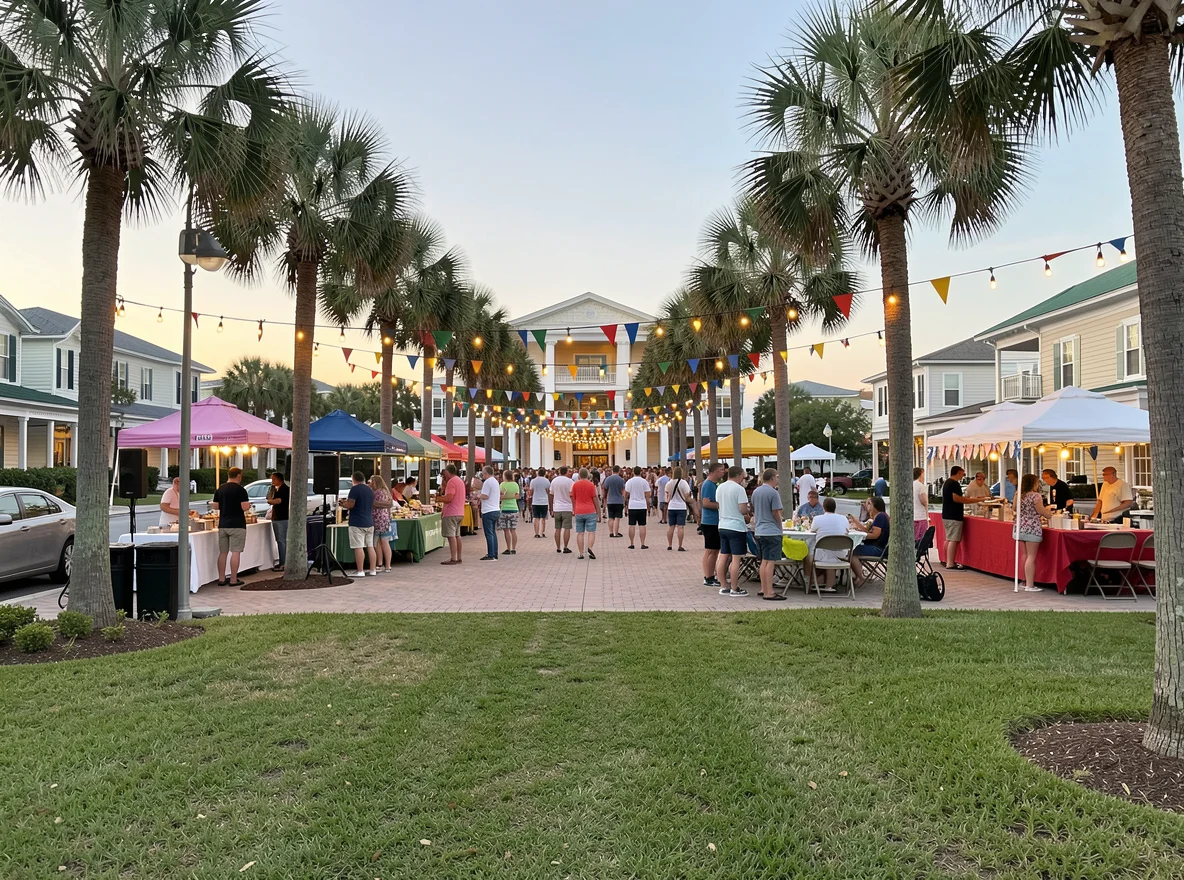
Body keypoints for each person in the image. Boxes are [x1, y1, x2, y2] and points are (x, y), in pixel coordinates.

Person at [1014, 473, 1054, 593]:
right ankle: (1030, 585)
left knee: (1025, 555)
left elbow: (1014, 508)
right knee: (1031, 556)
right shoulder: (1035, 496)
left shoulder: (1018, 494)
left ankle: (1024, 580)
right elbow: (1041, 510)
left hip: (1020, 525)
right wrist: (1049, 513)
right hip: (1032, 526)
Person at [751, 468, 786, 601]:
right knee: (770, 562)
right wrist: (780, 526)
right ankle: (769, 592)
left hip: (759, 530)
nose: (778, 479)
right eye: (777, 477)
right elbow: (776, 512)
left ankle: (763, 588)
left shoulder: (756, 492)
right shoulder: (773, 493)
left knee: (764, 561)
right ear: (772, 478)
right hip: (771, 530)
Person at [714, 465, 750, 597]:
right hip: (736, 526)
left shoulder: (720, 487)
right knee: (736, 558)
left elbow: (719, 504)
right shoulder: (739, 489)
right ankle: (735, 588)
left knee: (723, 556)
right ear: (739, 475)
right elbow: (742, 509)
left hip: (722, 524)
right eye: (743, 476)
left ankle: (723, 586)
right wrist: (747, 511)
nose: (744, 479)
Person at [212, 467, 251, 586]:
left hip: (223, 524)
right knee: (235, 552)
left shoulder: (220, 489)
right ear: (238, 476)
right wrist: (248, 506)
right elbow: (244, 507)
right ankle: (233, 579)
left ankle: (221, 579)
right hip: (237, 524)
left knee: (223, 552)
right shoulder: (241, 490)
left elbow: (215, 506)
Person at [803, 497, 850, 592]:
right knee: (829, 552)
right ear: (835, 508)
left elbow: (812, 530)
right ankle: (826, 583)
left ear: (823, 508)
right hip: (841, 553)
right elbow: (847, 530)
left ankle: (809, 581)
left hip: (822, 553)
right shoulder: (843, 518)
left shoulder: (818, 519)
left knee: (806, 554)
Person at [340, 471, 377, 577]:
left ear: (353, 479)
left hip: (357, 522)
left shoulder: (354, 489)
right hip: (369, 522)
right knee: (370, 546)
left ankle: (360, 571)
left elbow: (351, 504)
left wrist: (343, 504)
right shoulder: (369, 490)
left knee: (358, 546)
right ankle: (372, 569)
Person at [848, 495, 889, 587]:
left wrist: (862, 536)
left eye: (869, 503)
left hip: (878, 549)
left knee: (850, 552)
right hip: (879, 547)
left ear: (875, 506)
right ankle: (856, 576)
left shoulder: (880, 517)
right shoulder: (879, 516)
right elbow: (868, 531)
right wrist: (857, 523)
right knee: (851, 550)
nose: (866, 505)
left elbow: (875, 535)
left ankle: (860, 577)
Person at [941, 466, 974, 570]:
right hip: (954, 515)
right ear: (958, 473)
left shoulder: (947, 482)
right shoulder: (954, 484)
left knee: (949, 538)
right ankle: (950, 563)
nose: (963, 477)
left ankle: (946, 560)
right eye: (962, 474)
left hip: (946, 514)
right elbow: (956, 498)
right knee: (954, 539)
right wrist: (970, 500)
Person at [699, 461, 724, 588]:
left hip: (714, 521)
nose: (723, 472)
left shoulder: (714, 484)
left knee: (714, 550)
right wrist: (723, 505)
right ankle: (708, 576)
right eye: (721, 470)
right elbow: (706, 503)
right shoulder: (708, 485)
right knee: (711, 550)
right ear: (713, 471)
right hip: (710, 521)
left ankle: (710, 574)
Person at [571, 468, 601, 559]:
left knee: (580, 533)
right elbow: (595, 499)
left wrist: (574, 509)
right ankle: (590, 548)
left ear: (579, 475)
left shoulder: (575, 485)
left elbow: (573, 498)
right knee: (591, 531)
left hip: (579, 510)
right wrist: (598, 512)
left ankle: (581, 553)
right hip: (590, 510)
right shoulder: (591, 485)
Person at [438, 464, 465, 565]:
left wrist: (439, 499)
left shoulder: (451, 482)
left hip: (451, 512)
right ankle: (459, 557)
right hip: (460, 511)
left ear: (448, 472)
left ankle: (453, 558)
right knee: (457, 535)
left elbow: (449, 498)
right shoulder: (459, 481)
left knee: (451, 536)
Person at [369, 474, 394, 573]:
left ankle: (380, 563)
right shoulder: (386, 491)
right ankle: (387, 565)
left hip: (377, 519)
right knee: (384, 541)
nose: (370, 483)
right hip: (385, 519)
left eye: (372, 482)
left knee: (378, 542)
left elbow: (373, 503)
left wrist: (376, 504)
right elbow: (389, 504)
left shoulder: (376, 492)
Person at [266, 472, 290, 572]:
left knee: (281, 541)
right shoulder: (276, 489)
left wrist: (270, 501)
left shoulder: (284, 489)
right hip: (277, 517)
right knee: (280, 540)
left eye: (274, 479)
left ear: (279, 479)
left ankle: (283, 563)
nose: (272, 481)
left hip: (281, 518)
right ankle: (282, 561)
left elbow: (279, 501)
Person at [665, 466, 693, 551]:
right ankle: (680, 545)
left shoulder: (669, 483)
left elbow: (667, 495)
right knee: (680, 527)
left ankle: (669, 545)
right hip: (681, 507)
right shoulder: (684, 483)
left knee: (671, 526)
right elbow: (687, 495)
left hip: (671, 506)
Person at [623, 467, 651, 549]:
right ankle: (642, 543)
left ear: (633, 472)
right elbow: (648, 494)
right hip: (642, 505)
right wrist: (646, 501)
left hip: (632, 506)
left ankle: (632, 543)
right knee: (642, 525)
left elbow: (626, 494)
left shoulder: (630, 481)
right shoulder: (644, 481)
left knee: (632, 525)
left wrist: (626, 503)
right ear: (641, 472)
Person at [478, 466, 502, 561]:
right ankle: (494, 553)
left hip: (488, 510)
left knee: (489, 533)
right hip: (495, 509)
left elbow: (485, 496)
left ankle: (491, 554)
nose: (482, 475)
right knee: (493, 533)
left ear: (486, 473)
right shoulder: (495, 481)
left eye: (483, 473)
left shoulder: (487, 482)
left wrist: (478, 495)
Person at [550, 465, 575, 554]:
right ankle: (565, 547)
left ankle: (558, 547)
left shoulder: (554, 481)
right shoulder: (570, 482)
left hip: (557, 507)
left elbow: (551, 494)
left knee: (557, 528)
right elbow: (572, 495)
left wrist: (551, 508)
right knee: (567, 528)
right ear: (567, 472)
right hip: (567, 507)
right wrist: (574, 508)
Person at [499, 469, 520, 555]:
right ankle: (514, 548)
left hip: (505, 508)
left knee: (506, 530)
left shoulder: (502, 485)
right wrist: (512, 497)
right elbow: (517, 496)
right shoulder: (515, 485)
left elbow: (501, 497)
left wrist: (505, 497)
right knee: (513, 530)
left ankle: (508, 548)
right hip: (514, 508)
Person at [602, 465, 626, 537]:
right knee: (617, 518)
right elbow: (623, 490)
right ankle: (616, 532)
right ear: (618, 471)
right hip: (619, 500)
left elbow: (605, 488)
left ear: (612, 470)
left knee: (611, 517)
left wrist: (604, 498)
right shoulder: (621, 480)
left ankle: (611, 532)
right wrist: (624, 499)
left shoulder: (608, 479)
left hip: (610, 500)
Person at [530, 468, 551, 538]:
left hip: (535, 501)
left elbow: (531, 492)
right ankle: (543, 532)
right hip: (544, 501)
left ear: (537, 473)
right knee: (543, 518)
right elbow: (548, 491)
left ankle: (536, 533)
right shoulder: (547, 481)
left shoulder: (533, 481)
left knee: (536, 518)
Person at [911, 467, 930, 542]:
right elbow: (924, 501)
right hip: (920, 516)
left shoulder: (912, 485)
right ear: (920, 474)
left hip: (913, 516)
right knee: (920, 538)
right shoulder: (920, 486)